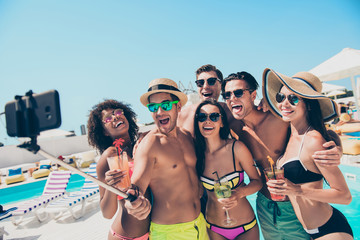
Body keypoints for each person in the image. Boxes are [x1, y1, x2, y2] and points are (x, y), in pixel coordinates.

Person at [222, 71, 343, 240]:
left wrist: (337, 148)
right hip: (264, 205)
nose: (232, 98)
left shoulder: (278, 117)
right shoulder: (232, 122)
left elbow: (321, 130)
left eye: (238, 92)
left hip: (294, 205)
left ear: (253, 95)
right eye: (227, 94)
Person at [263, 69, 353, 239]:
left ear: (309, 105)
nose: (284, 104)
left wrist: (297, 189)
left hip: (330, 230)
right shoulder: (291, 135)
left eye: (293, 99)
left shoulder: (313, 140)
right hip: (310, 231)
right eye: (280, 97)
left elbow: (345, 196)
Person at [125, 78, 209, 239]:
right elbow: (137, 186)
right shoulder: (150, 144)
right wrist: (134, 203)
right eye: (153, 107)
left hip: (200, 224)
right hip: (170, 232)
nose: (159, 112)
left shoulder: (188, 137)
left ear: (178, 106)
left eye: (165, 105)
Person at [194, 99, 262, 240]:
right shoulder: (197, 155)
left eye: (214, 117)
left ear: (222, 122)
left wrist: (239, 193)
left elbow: (257, 181)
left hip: (245, 227)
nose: (207, 121)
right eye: (202, 117)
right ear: (197, 123)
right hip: (214, 228)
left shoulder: (236, 148)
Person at [87, 100, 149, 240]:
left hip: (154, 232)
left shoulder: (142, 145)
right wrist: (110, 187)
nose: (115, 117)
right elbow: (107, 213)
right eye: (108, 118)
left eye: (118, 112)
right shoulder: (110, 155)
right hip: (125, 236)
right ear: (104, 131)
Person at [178, 64, 243, 136]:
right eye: (200, 83)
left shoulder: (231, 113)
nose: (205, 86)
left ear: (221, 85)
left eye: (211, 81)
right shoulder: (184, 115)